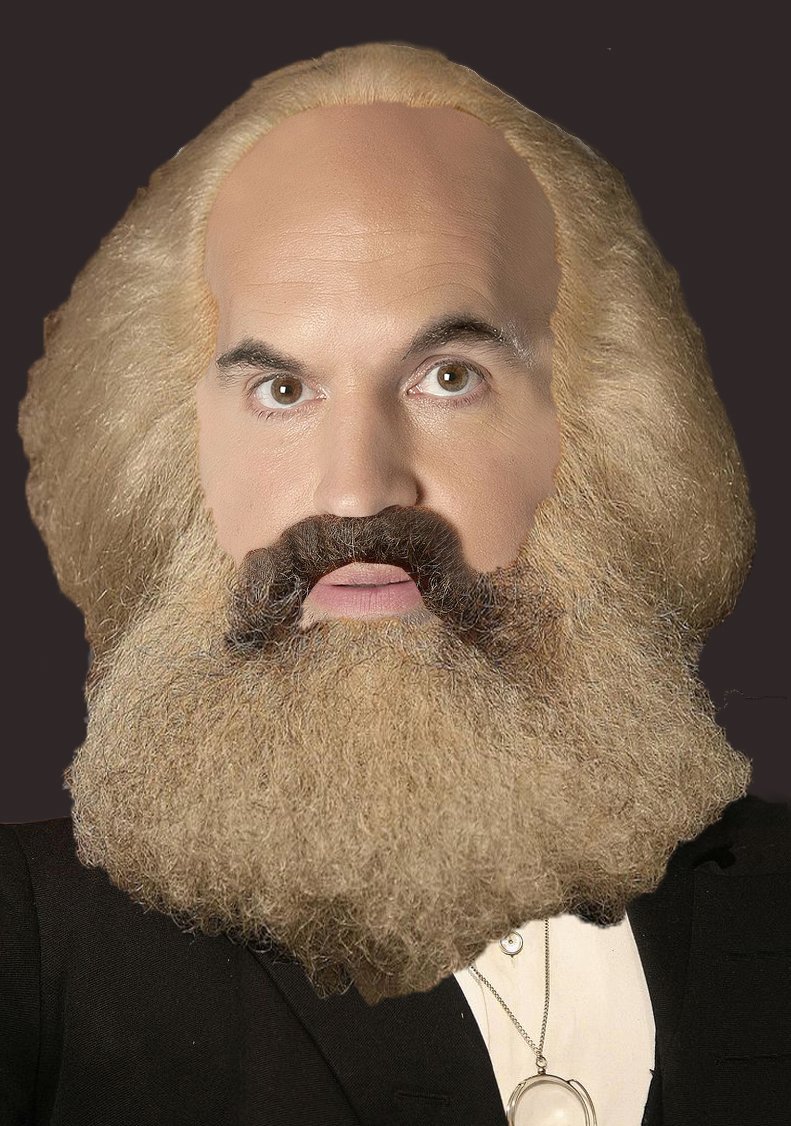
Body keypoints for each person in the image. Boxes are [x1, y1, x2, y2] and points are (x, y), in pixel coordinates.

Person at [2, 41, 788, 1126]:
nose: (359, 489)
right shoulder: (33, 938)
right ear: (172, 450)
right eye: (282, 390)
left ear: (598, 427)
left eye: (448, 377)